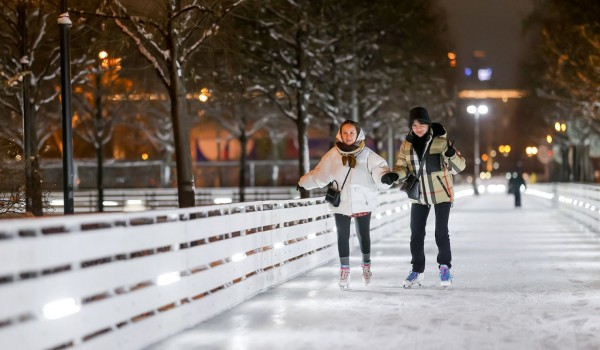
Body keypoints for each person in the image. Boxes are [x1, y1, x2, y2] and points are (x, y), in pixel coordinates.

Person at [298, 120, 392, 289]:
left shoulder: (367, 154)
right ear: (340, 134)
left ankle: (366, 266)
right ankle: (344, 270)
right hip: (341, 201)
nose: (348, 136)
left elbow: (380, 170)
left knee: (363, 235)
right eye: (345, 133)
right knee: (342, 235)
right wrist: (304, 182)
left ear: (358, 134)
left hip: (362, 200)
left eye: (351, 133)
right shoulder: (332, 155)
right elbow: (319, 175)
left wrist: (386, 178)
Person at [381, 107, 466, 288]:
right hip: (419, 194)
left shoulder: (441, 142)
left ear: (428, 124)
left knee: (441, 232)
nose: (418, 128)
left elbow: (459, 167)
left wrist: (451, 155)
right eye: (414, 125)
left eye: (422, 124)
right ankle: (417, 270)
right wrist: (395, 176)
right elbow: (402, 167)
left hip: (442, 193)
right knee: (416, 234)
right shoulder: (407, 145)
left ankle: (444, 268)